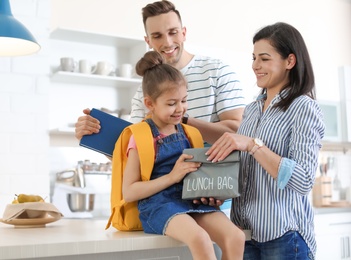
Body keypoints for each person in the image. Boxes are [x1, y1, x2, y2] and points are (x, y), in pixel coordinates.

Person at [205, 22, 325, 260]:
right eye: (254, 58)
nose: (255, 66)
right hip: (245, 234)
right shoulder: (251, 110)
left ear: (289, 61)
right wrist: (220, 191)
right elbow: (250, 174)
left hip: (285, 238)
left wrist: (253, 145)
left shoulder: (303, 108)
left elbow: (303, 180)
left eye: (264, 59)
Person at [120, 50, 245, 260]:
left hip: (190, 200)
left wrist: (209, 190)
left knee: (236, 237)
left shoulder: (189, 132)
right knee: (200, 239)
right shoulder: (140, 135)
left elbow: (197, 175)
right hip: (159, 204)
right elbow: (130, 192)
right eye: (171, 103)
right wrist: (172, 176)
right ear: (150, 104)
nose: (181, 109)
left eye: (184, 100)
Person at [75, 0, 245, 145]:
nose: (168, 42)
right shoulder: (143, 91)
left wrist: (179, 119)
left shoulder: (217, 71)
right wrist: (93, 135)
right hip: (164, 182)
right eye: (157, 36)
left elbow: (238, 131)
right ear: (148, 41)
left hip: (211, 180)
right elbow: (132, 151)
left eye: (173, 32)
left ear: (183, 33)